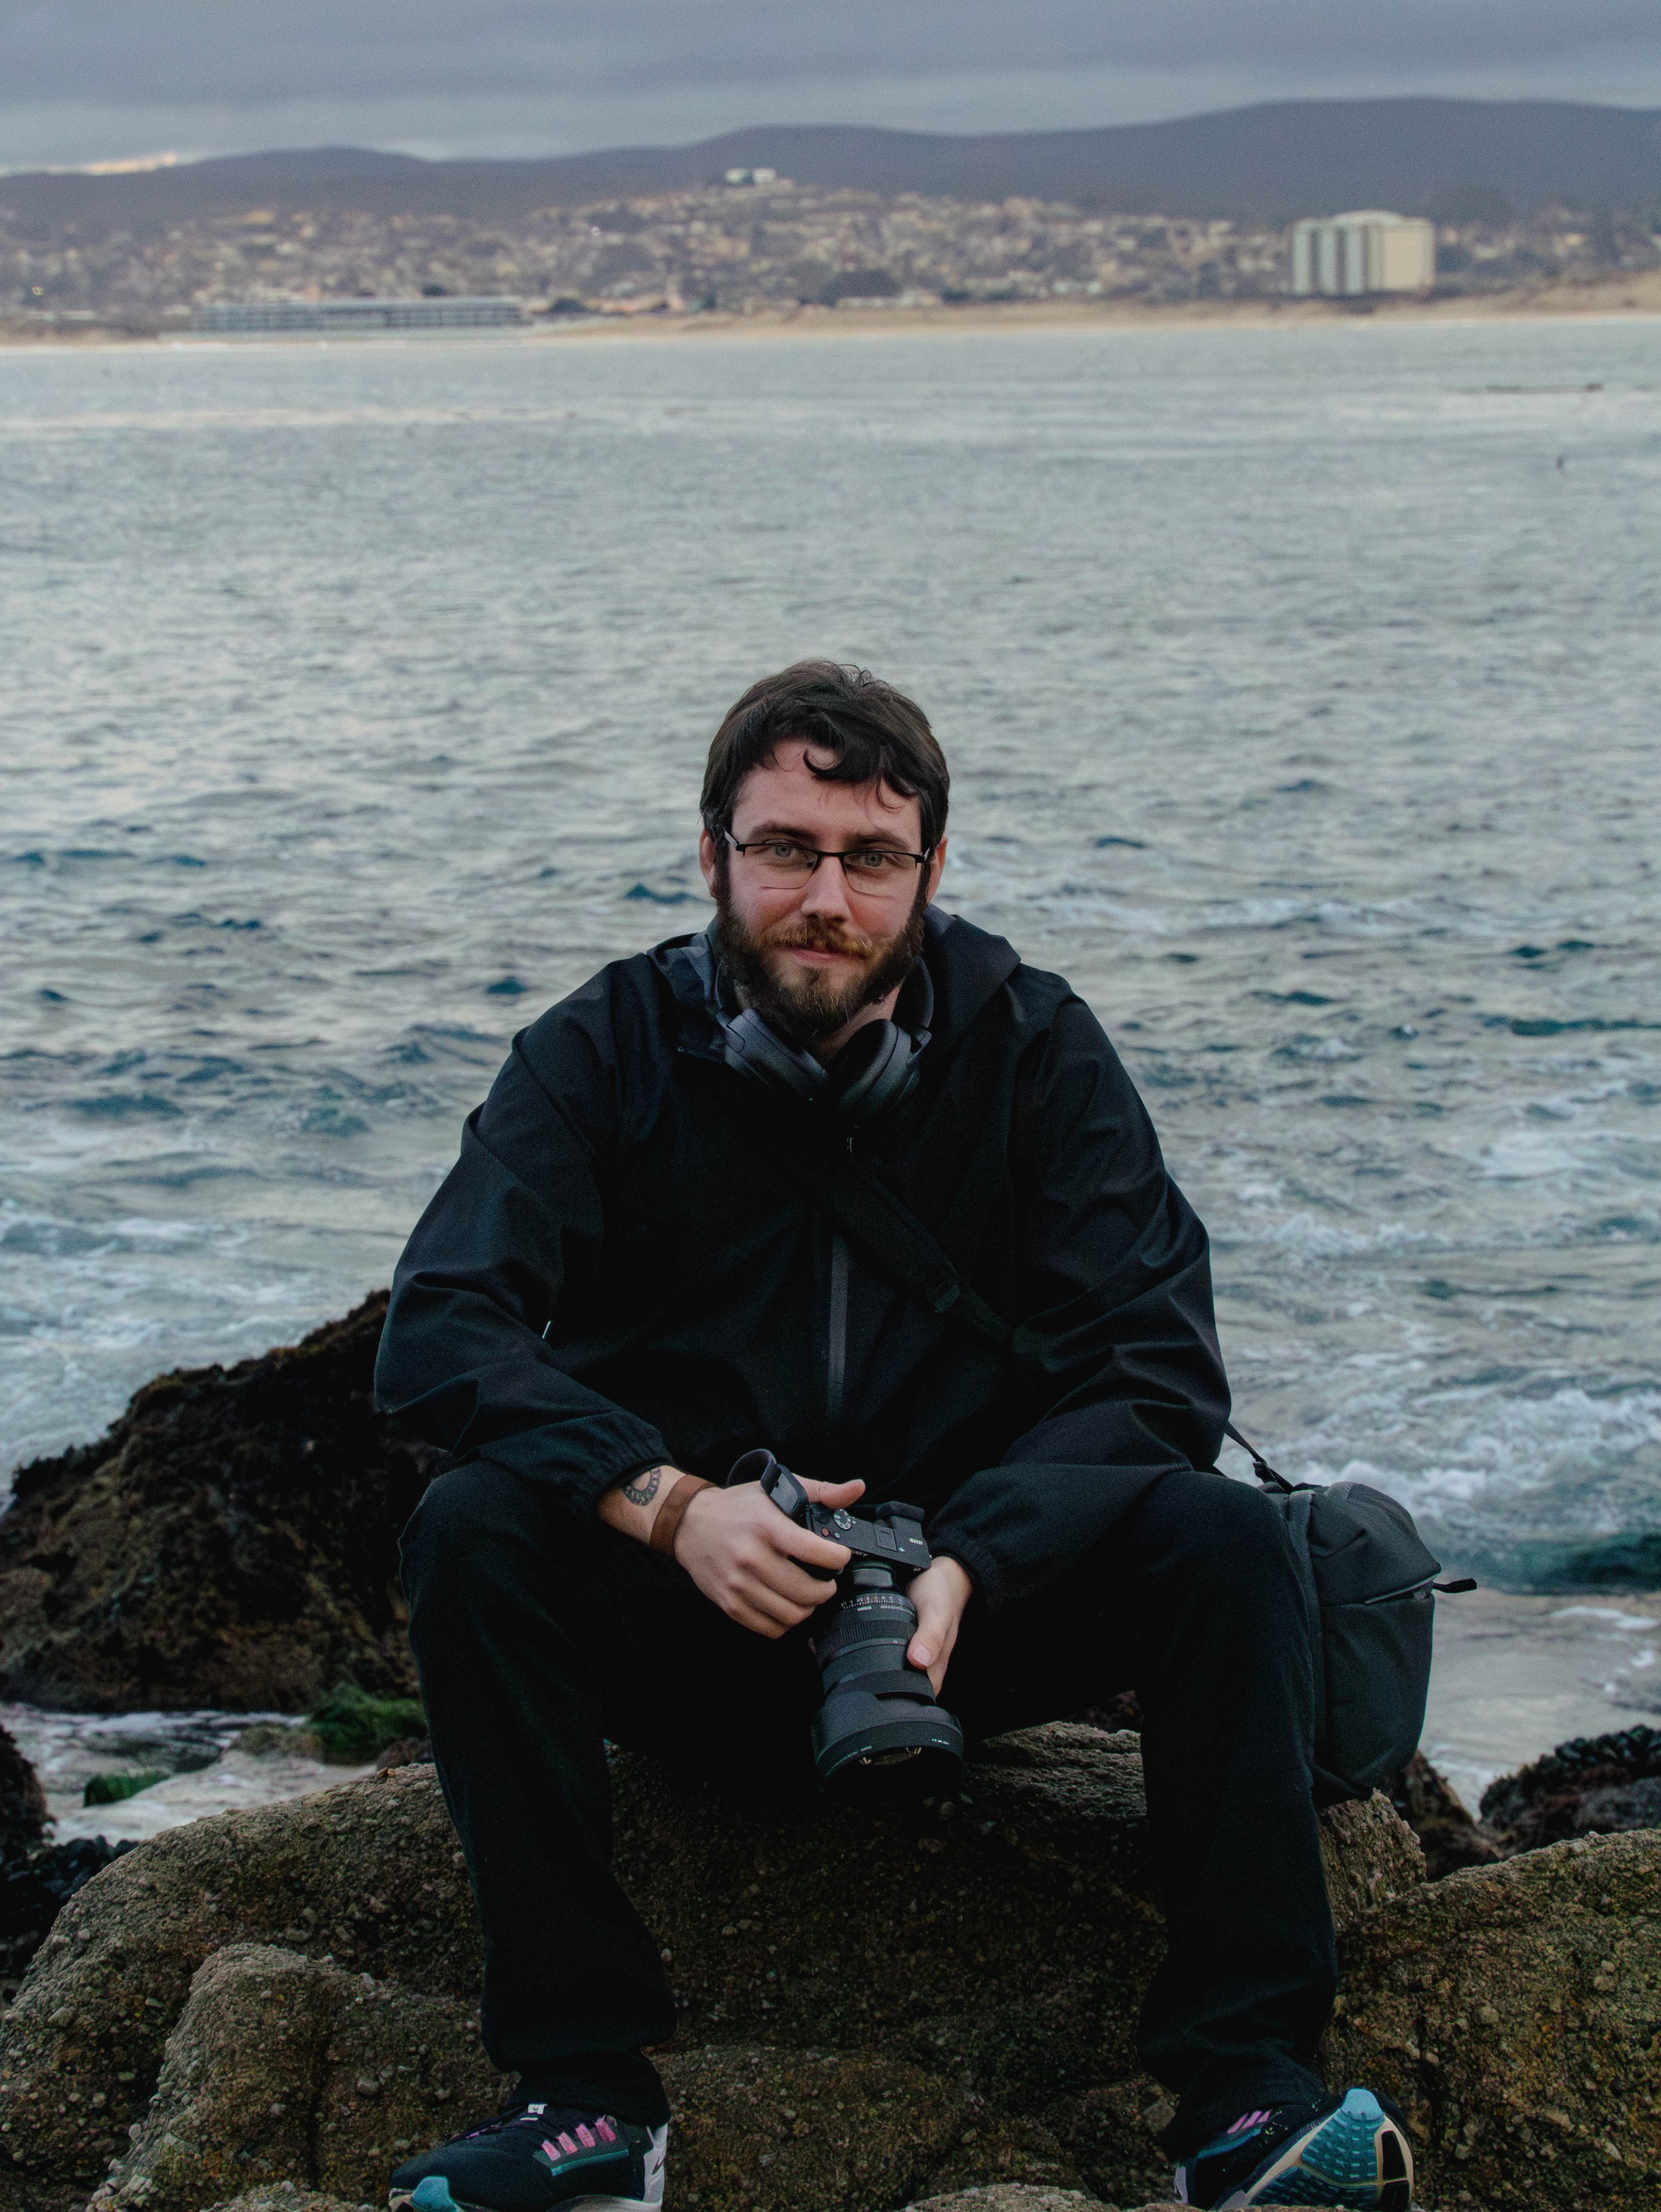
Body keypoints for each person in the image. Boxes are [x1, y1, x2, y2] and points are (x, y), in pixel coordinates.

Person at [374, 661, 1412, 2212]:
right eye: (784, 848)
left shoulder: (1032, 1045)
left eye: (869, 859)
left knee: (1220, 1536)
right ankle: (584, 2103)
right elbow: (438, 1327)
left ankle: (1240, 2102)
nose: (824, 899)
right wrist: (669, 1510)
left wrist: (977, 1560)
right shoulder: (598, 1050)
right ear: (710, 854)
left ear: (930, 869)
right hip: (705, 1615)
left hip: (954, 1628)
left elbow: (1154, 1365)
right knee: (467, 1529)